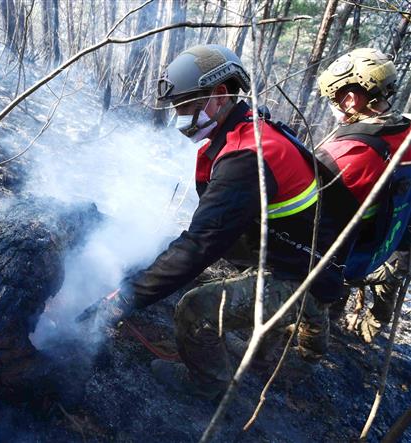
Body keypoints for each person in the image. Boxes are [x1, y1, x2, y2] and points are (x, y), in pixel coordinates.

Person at [80, 44, 345, 400]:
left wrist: (124, 299)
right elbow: (207, 232)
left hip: (303, 277)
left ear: (219, 95)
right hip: (292, 255)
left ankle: (208, 387)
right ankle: (273, 339)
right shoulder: (246, 131)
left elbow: (200, 245)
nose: (180, 118)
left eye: (186, 107)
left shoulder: (248, 157)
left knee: (195, 309)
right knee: (172, 255)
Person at [315, 47, 411, 343]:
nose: (333, 105)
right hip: (387, 250)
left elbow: (311, 219)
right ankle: (356, 329)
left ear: (351, 99)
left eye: (334, 97)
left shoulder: (350, 152)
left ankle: (313, 334)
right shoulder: (405, 133)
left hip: (347, 259)